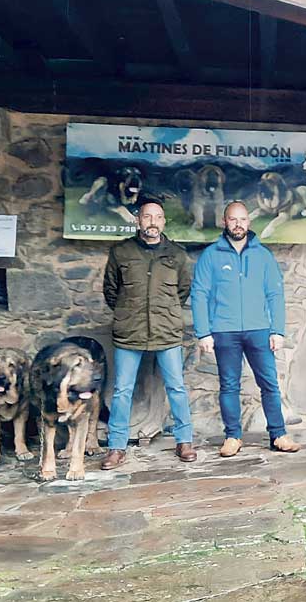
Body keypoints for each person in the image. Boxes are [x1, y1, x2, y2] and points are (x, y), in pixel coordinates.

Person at [191, 201, 300, 457]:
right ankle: (232, 437)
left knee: (269, 384)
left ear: (248, 223)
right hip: (224, 331)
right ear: (224, 221)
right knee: (229, 385)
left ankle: (279, 434)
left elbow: (275, 294)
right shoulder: (211, 255)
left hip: (259, 330)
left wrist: (278, 330)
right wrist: (203, 332)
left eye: (242, 219)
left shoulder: (263, 256)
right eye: (232, 219)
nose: (238, 224)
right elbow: (199, 294)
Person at [101, 196, 196, 470]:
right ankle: (116, 447)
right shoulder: (121, 252)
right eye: (146, 216)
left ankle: (184, 440)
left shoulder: (177, 254)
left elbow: (182, 291)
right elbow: (111, 291)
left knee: (177, 388)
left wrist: (164, 312)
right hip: (129, 332)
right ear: (137, 219)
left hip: (167, 332)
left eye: (157, 217)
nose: (152, 222)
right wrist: (125, 312)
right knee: (121, 390)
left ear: (164, 221)